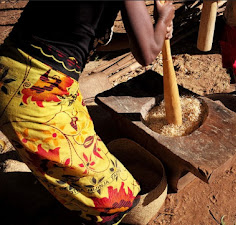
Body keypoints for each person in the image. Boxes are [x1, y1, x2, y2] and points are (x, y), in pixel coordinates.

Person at [0, 1, 174, 224]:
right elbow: (147, 54)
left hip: (21, 78)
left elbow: (91, 39)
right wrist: (163, 19)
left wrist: (152, 34)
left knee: (73, 182)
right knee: (114, 200)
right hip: (34, 96)